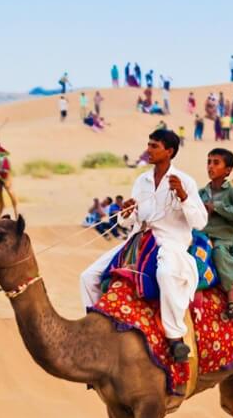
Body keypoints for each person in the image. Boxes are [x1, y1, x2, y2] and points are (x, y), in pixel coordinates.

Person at [79, 128, 207, 363]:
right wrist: (126, 213)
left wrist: (184, 196)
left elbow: (199, 222)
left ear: (169, 151)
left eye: (154, 146)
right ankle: (94, 328)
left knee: (167, 274)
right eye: (148, 144)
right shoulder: (142, 181)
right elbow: (131, 221)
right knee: (88, 276)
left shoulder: (186, 182)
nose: (148, 150)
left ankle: (175, 337)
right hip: (139, 239)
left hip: (169, 243)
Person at [199, 148, 233, 319]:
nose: (210, 167)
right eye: (208, 162)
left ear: (227, 170)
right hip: (203, 236)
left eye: (216, 163)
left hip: (224, 238)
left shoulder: (231, 192)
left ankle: (231, 298)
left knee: (219, 254)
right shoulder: (202, 192)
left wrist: (218, 208)